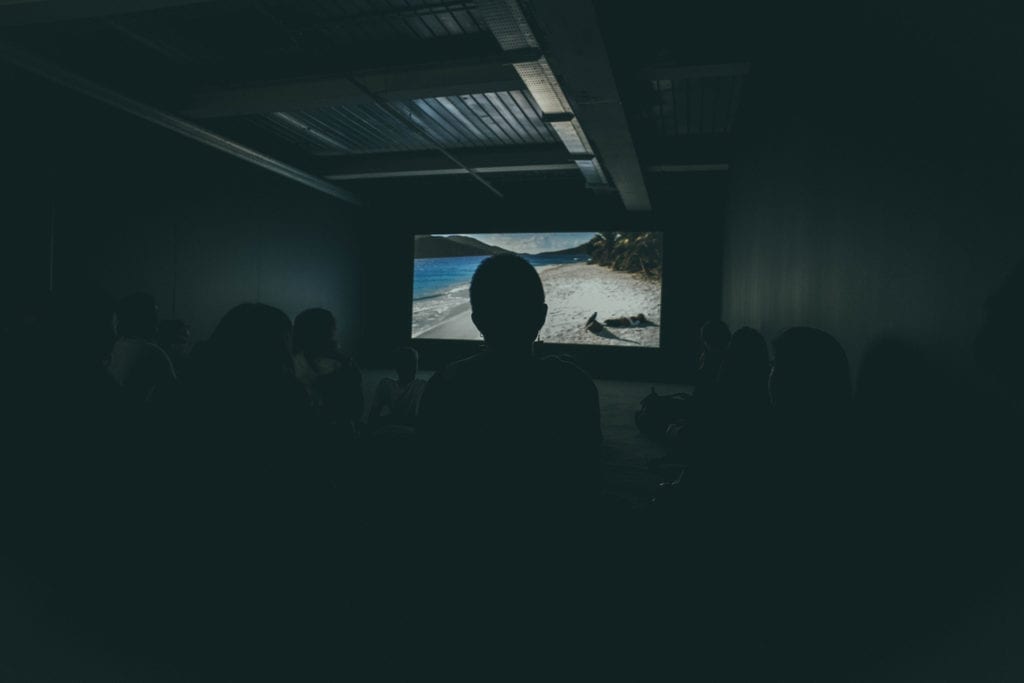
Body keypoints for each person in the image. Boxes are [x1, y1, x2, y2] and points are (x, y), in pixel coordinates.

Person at [418, 254, 603, 511]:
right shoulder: (574, 386)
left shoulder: (444, 386)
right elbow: (588, 478)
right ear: (541, 316)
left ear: (477, 321)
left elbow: (431, 480)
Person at [292, 307, 363, 435]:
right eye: (333, 329)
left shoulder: (290, 364)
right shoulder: (345, 366)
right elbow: (356, 409)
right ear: (330, 333)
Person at [106, 292, 176, 404]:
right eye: (153, 316)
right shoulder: (153, 353)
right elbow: (174, 394)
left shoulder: (115, 347)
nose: (157, 321)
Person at [368, 347, 426, 432]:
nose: (413, 368)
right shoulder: (421, 386)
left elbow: (373, 418)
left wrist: (389, 419)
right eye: (410, 364)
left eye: (413, 364)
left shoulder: (386, 385)